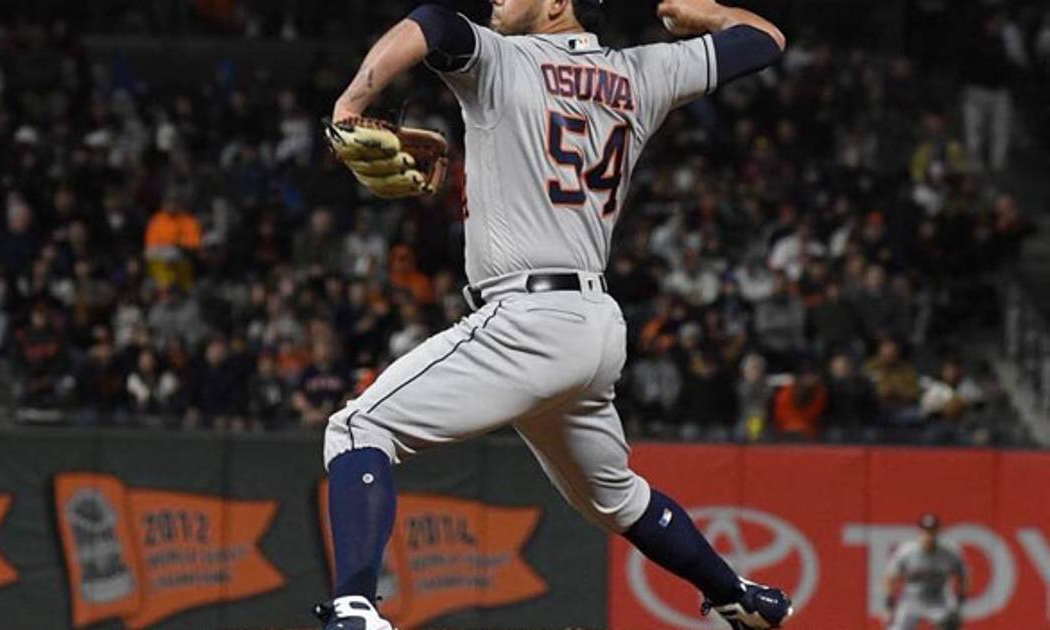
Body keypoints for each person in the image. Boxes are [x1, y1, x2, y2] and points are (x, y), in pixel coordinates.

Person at [318, 0, 792, 628]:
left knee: (356, 430)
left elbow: (431, 23)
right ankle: (740, 596)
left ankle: (355, 608)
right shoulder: (642, 73)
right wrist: (707, 10)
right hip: (594, 323)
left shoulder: (500, 59)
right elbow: (765, 40)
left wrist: (350, 103)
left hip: (527, 317)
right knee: (614, 497)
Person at [884, 514, 966, 630]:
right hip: (911, 600)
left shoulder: (950, 552)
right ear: (920, 531)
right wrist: (889, 604)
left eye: (932, 530)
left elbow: (962, 577)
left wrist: (959, 604)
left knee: (951, 623)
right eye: (926, 531)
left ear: (937, 531)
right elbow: (891, 577)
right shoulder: (906, 552)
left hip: (938, 600)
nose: (929, 535)